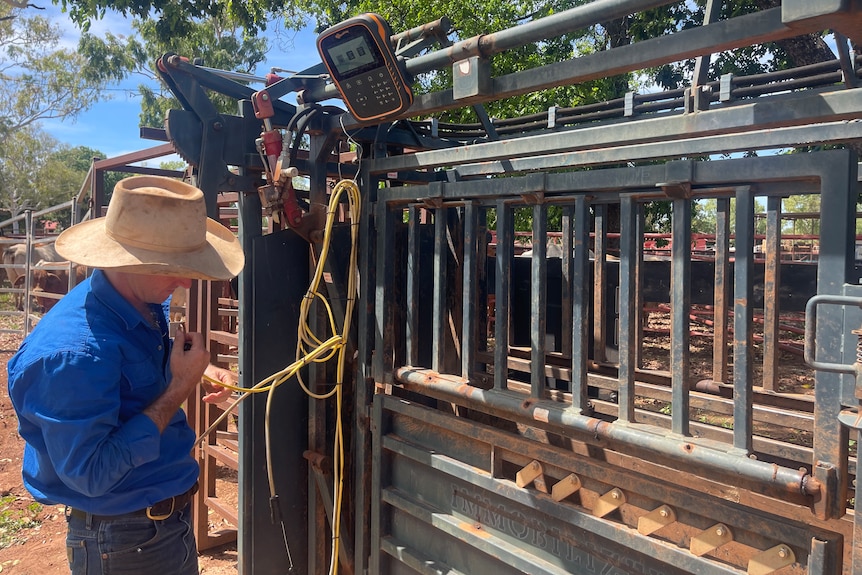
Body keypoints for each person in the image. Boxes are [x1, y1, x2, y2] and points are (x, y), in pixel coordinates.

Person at [7, 175, 245, 575]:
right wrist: (179, 388)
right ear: (130, 261)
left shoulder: (139, 304)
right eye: (175, 268)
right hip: (123, 540)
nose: (185, 280)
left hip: (159, 526)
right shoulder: (71, 353)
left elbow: (144, 367)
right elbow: (92, 474)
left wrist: (205, 372)